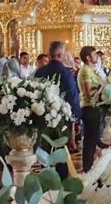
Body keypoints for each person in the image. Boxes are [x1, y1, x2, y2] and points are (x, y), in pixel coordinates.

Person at [35, 41, 82, 177]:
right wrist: (76, 119)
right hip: (62, 119)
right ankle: (61, 181)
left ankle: (46, 180)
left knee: (45, 151)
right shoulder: (65, 73)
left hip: (43, 117)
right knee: (61, 152)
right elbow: (72, 96)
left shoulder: (40, 72)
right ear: (61, 54)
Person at [77, 46, 105, 172]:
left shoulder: (91, 70)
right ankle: (87, 168)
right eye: (94, 54)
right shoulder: (85, 71)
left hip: (94, 107)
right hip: (89, 108)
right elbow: (89, 93)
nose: (96, 56)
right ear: (88, 57)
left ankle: (89, 166)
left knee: (92, 140)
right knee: (89, 141)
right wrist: (102, 92)